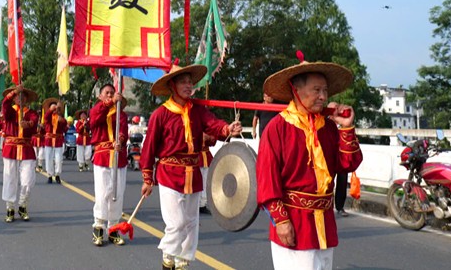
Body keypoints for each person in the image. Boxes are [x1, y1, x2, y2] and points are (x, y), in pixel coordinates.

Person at [256, 52, 363, 270]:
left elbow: (348, 164)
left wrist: (346, 128)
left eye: (325, 90)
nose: (323, 96)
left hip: (324, 224)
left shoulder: (329, 127)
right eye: (316, 90)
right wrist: (281, 221)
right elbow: (267, 180)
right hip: (294, 222)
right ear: (296, 89)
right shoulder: (277, 128)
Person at [140, 64, 242, 270]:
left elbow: (213, 124)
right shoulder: (160, 114)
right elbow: (149, 147)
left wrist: (227, 128)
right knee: (176, 222)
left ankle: (181, 261)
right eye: (183, 82)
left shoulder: (198, 110)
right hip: (169, 172)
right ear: (172, 86)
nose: (188, 86)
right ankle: (168, 256)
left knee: (191, 222)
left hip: (193, 173)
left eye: (190, 82)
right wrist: (147, 178)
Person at [89, 83, 129, 247]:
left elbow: (123, 131)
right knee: (102, 193)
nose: (110, 95)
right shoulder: (97, 109)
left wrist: (120, 140)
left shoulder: (121, 115)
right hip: (103, 156)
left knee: (117, 193)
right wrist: (109, 103)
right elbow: (95, 120)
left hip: (118, 157)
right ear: (100, 96)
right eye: (107, 93)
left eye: (112, 92)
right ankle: (98, 227)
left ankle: (113, 228)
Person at [0, 84, 40, 223]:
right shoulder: (10, 111)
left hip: (26, 148)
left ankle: (23, 205)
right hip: (11, 148)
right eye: (18, 96)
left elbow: (34, 123)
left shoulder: (32, 113)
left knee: (28, 180)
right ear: (14, 98)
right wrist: (13, 92)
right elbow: (4, 105)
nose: (20, 98)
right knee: (10, 178)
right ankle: (10, 207)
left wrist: (28, 125)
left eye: (23, 96)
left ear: (27, 99)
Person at [42, 97, 68, 184]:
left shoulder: (60, 117)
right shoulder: (48, 116)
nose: (55, 109)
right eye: (53, 108)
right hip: (49, 140)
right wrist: (51, 110)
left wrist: (62, 121)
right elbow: (46, 117)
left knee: (58, 159)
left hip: (58, 140)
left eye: (56, 108)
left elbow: (65, 127)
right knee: (48, 158)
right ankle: (49, 175)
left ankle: (57, 174)